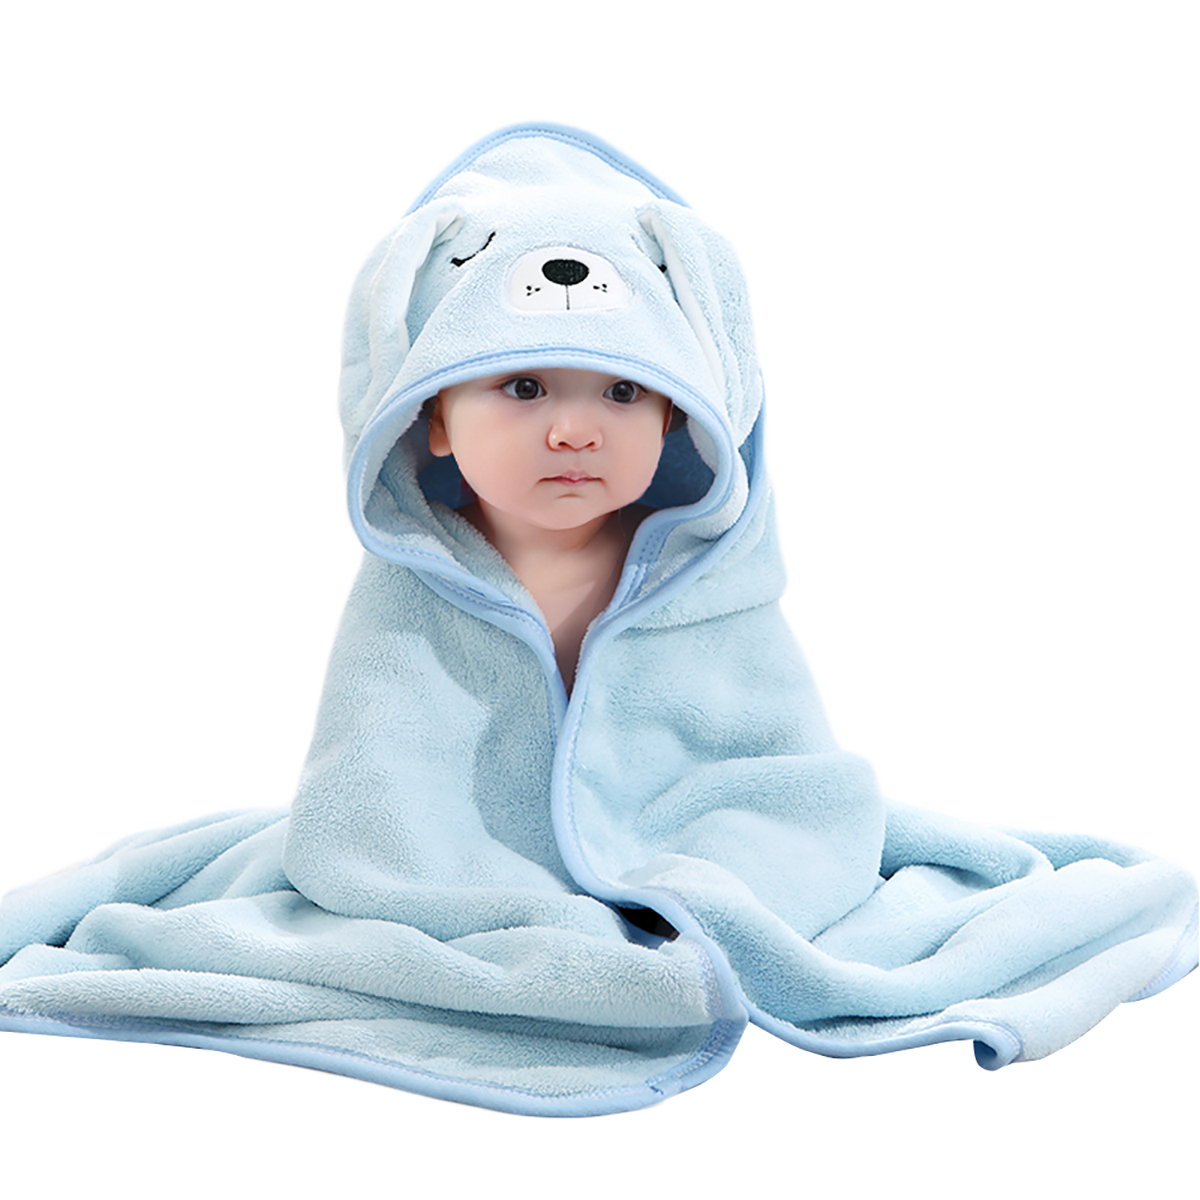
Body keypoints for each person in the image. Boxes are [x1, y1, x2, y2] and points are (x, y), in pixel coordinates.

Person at [427, 368, 673, 690]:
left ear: (666, 421)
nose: (576, 434)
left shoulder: (697, 568)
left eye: (622, 392)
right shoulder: (413, 571)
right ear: (440, 419)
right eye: (525, 389)